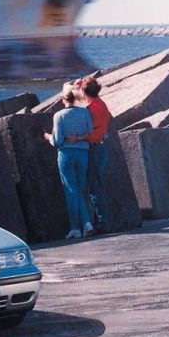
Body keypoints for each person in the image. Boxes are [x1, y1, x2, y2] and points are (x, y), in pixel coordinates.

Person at [44, 87, 94, 239]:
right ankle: (87, 223)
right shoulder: (85, 112)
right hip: (83, 153)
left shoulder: (59, 115)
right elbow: (90, 131)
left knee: (71, 191)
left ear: (62, 100)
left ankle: (75, 228)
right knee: (80, 189)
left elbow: (58, 141)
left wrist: (48, 137)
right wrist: (79, 138)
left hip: (66, 154)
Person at [71, 77, 111, 233]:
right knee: (96, 187)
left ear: (83, 91)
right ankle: (99, 221)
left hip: (94, 149)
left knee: (95, 188)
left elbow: (91, 134)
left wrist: (78, 138)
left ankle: (101, 223)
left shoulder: (91, 109)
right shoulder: (99, 104)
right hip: (97, 149)